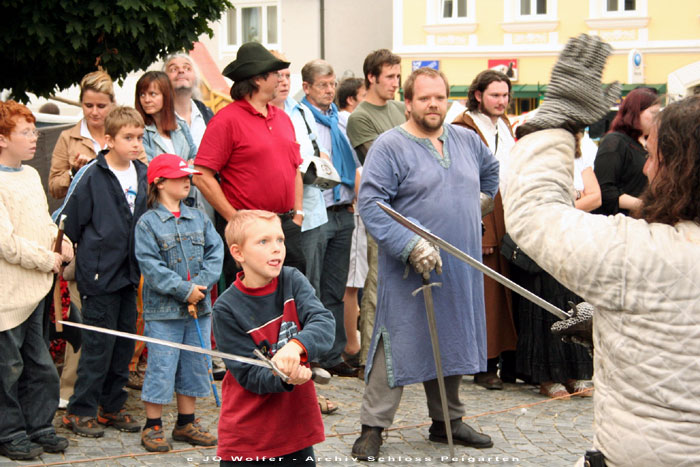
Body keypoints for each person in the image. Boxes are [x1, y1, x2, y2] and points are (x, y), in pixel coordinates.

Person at [504, 33, 700, 466]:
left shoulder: (638, 254)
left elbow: (533, 213)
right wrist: (624, 323)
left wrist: (557, 120)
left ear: (678, 165)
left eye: (655, 154)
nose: (647, 167)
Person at [352, 68, 499, 460]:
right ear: (408, 102)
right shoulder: (389, 146)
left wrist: (479, 204)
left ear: (448, 99)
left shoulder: (467, 140)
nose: (433, 104)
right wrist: (411, 243)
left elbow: (491, 174)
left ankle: (447, 422)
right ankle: (373, 426)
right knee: (396, 341)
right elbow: (372, 204)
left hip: (459, 261)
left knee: (451, 338)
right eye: (424, 98)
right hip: (408, 268)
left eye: (439, 97)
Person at [212, 210, 335, 466]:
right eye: (263, 242)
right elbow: (248, 374)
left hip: (295, 432)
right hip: (248, 438)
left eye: (280, 240)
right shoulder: (226, 308)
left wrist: (296, 347)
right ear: (238, 253)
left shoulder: (292, 280)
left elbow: (323, 323)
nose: (276, 248)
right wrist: (285, 376)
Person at [57, 106, 148, 438]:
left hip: (129, 272)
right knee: (98, 346)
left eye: (139, 137)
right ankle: (80, 410)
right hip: (99, 275)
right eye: (128, 137)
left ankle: (112, 405)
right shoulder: (93, 174)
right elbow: (71, 222)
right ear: (108, 140)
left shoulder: (142, 173)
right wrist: (88, 257)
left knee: (124, 343)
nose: (136, 143)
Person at [194, 42, 305, 287]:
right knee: (252, 304)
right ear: (257, 79)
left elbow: (295, 169)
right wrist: (234, 219)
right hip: (250, 230)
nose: (280, 79)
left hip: (285, 226)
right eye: (275, 74)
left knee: (293, 298)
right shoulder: (226, 120)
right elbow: (201, 175)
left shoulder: (283, 118)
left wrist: (298, 215)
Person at [134, 153, 223, 452]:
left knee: (195, 364)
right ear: (159, 182)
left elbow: (215, 251)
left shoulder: (198, 217)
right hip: (164, 313)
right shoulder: (147, 224)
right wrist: (185, 290)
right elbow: (151, 266)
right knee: (161, 365)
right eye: (180, 176)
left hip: (199, 309)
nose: (187, 180)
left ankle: (186, 422)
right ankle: (153, 426)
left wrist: (202, 284)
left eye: (188, 176)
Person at [0, 100, 72, 460]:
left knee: (40, 363)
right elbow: (6, 243)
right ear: (2, 139)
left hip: (35, 291)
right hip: (6, 296)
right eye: (26, 132)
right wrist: (48, 259)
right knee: (7, 368)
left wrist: (64, 244)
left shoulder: (28, 175)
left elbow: (44, 223)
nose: (34, 138)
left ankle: (39, 425)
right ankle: (9, 431)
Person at [452, 69, 518, 390]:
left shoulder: (503, 125)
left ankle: (505, 359)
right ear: (478, 95)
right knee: (486, 296)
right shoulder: (463, 128)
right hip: (481, 218)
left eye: (505, 95)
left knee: (503, 294)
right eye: (495, 95)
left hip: (508, 217)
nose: (501, 101)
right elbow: (466, 182)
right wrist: (485, 229)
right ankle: (483, 365)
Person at [346, 49, 406, 372]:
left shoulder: (399, 108)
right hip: (381, 208)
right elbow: (379, 163)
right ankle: (370, 358)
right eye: (390, 77)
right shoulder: (361, 116)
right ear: (372, 77)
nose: (396, 83)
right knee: (376, 284)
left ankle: (400, 355)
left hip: (409, 206)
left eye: (398, 76)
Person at [300, 59, 359, 378]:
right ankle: (314, 353)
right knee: (313, 286)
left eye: (332, 83)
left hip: (343, 208)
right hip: (317, 211)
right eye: (322, 84)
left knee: (336, 287)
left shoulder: (340, 120)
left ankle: (335, 352)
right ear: (307, 87)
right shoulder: (303, 117)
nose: (329, 90)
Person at [50, 71, 148, 199]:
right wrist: (73, 173)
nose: (94, 112)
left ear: (113, 104)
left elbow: (145, 178)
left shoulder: (127, 134)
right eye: (88, 105)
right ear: (81, 103)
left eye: (101, 106)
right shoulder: (68, 137)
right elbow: (54, 190)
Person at [593, 87, 661, 216]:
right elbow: (605, 190)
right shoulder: (614, 142)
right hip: (619, 221)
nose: (657, 119)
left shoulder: (649, 142)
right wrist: (645, 206)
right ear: (635, 113)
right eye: (653, 113)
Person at [135, 71, 197, 163]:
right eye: (142, 95)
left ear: (166, 95)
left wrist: (189, 168)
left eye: (152, 94)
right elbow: (149, 167)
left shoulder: (181, 125)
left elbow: (196, 158)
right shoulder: (140, 131)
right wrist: (185, 168)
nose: (146, 100)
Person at [163, 53, 214, 148]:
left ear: (195, 77)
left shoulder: (207, 114)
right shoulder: (156, 117)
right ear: (163, 79)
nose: (181, 71)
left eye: (187, 68)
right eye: (173, 69)